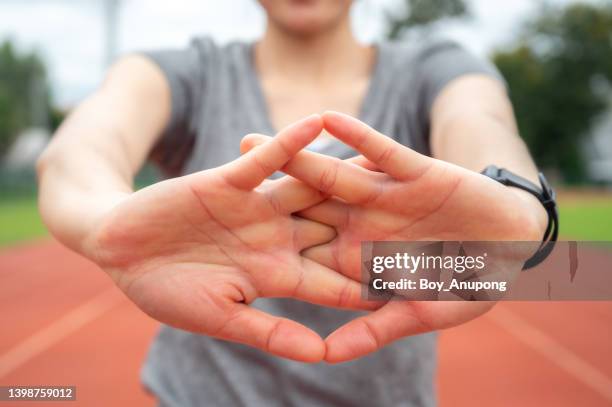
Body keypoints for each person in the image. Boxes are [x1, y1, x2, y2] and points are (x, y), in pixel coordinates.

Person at [37, 0, 548, 405]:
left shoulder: (434, 69)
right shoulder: (186, 72)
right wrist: (103, 220)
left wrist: (518, 202)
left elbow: (481, 121)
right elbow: (84, 144)